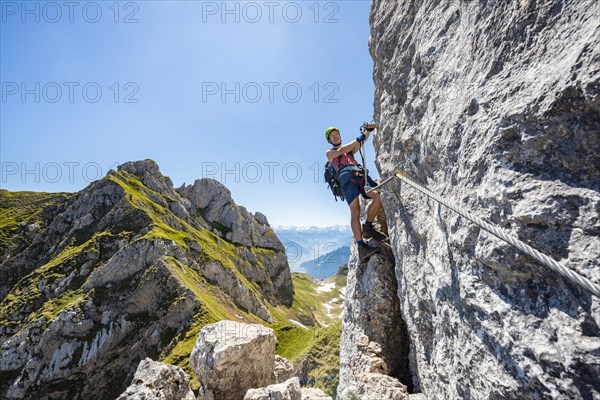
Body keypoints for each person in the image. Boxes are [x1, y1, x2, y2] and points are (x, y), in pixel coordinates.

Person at [325, 125, 387, 262]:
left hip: (360, 176)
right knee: (355, 210)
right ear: (329, 140)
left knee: (378, 195)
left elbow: (360, 142)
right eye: (332, 136)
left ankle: (368, 227)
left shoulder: (350, 151)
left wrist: (367, 131)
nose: (335, 136)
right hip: (346, 180)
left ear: (340, 136)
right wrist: (358, 139)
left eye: (337, 134)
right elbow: (343, 149)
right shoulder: (329, 153)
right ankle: (361, 246)